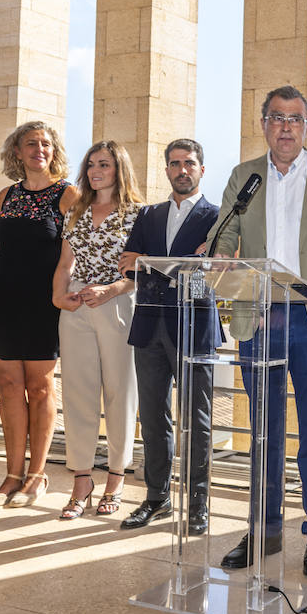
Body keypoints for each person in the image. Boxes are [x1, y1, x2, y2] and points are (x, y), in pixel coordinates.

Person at [209, 85, 307, 577]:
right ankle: (264, 530)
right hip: (258, 316)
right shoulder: (244, 177)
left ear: (306, 126)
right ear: (263, 124)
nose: (284, 126)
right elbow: (225, 237)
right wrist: (217, 258)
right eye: (276, 117)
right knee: (263, 435)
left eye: (294, 119)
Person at [117, 139, 222, 532]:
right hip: (148, 325)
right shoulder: (148, 215)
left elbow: (209, 267)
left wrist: (152, 264)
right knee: (153, 416)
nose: (182, 170)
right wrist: (175, 265)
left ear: (201, 170)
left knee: (197, 418)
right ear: (166, 170)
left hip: (194, 328)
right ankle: (156, 498)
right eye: (175, 164)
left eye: (190, 163)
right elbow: (128, 265)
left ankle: (198, 503)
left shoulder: (217, 216)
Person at [0, 120, 78, 508]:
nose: (39, 149)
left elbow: (73, 254)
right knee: (7, 388)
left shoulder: (67, 195)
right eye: (31, 144)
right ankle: (11, 475)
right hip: (3, 301)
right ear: (17, 152)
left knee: (39, 388)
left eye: (46, 144)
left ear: (54, 152)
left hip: (42, 303)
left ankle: (37, 475)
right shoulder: (6, 196)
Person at [52, 141, 141, 520]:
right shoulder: (76, 210)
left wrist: (111, 290)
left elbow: (138, 273)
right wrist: (59, 296)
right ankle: (82, 480)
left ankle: (116, 479)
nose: (94, 171)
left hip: (117, 305)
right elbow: (64, 263)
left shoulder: (139, 214)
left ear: (119, 168)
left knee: (120, 393)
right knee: (77, 394)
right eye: (90, 164)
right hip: (75, 308)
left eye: (103, 164)